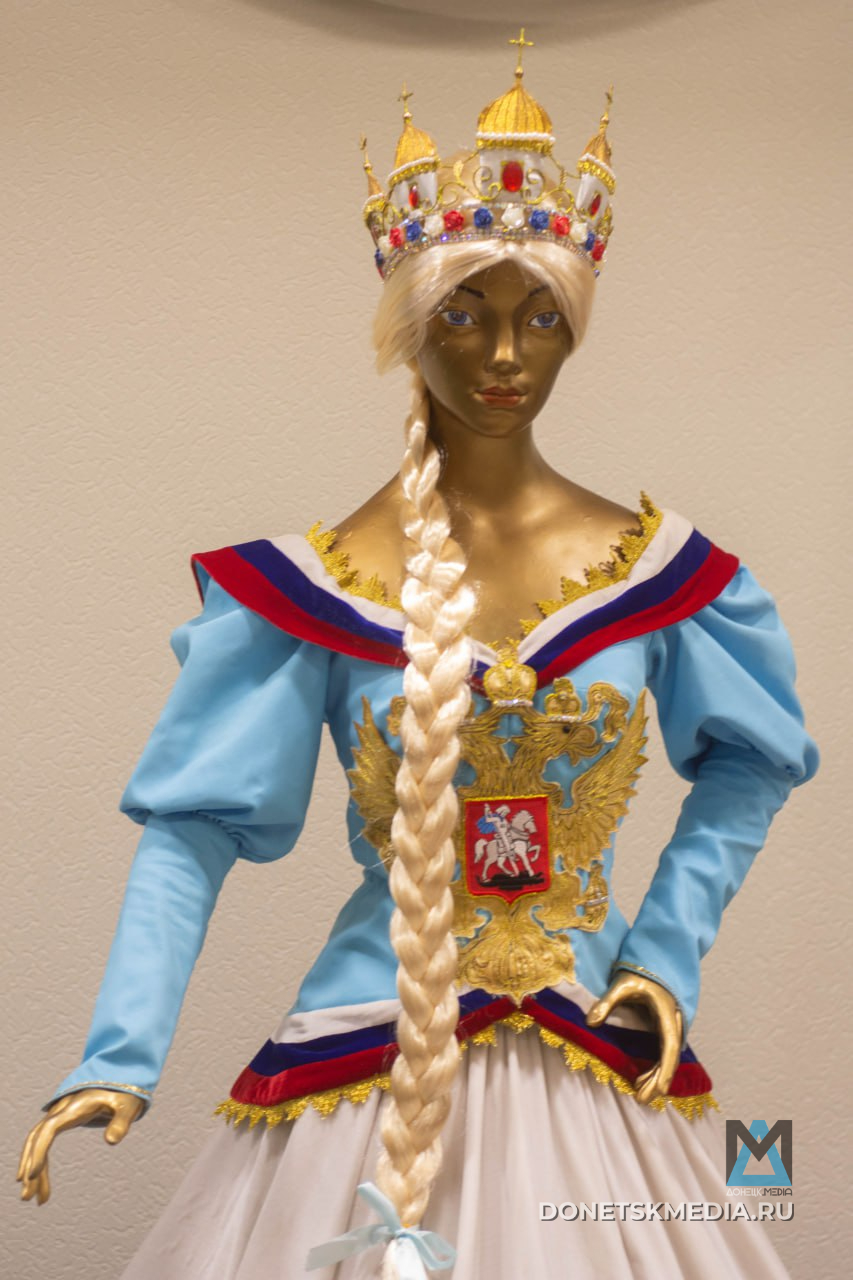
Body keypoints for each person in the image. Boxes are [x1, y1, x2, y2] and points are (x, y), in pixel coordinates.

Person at [18, 34, 818, 1280]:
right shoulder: (312, 588)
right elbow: (192, 831)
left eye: (540, 317)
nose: (505, 355)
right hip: (367, 1047)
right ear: (408, 324)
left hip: (592, 1037)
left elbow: (752, 760)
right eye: (465, 312)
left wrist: (665, 955)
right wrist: (117, 1058)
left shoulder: (661, 574)